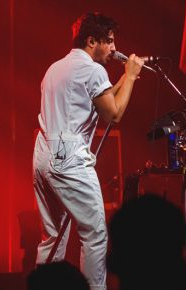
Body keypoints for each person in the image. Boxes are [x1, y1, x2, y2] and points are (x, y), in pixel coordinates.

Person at [32, 12, 144, 290]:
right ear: (91, 41)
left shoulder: (55, 68)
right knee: (94, 235)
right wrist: (129, 77)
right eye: (108, 41)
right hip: (69, 157)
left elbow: (98, 97)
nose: (114, 49)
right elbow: (113, 115)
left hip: (43, 153)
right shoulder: (93, 71)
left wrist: (121, 81)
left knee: (52, 236)